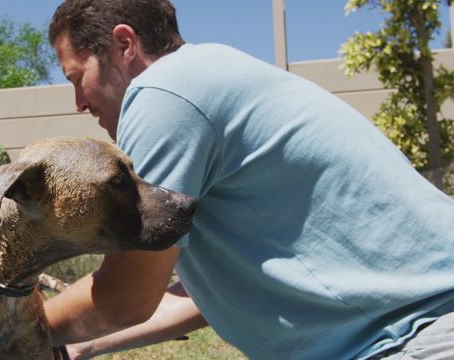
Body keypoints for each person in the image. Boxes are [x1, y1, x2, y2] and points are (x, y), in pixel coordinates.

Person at [44, 0, 454, 359]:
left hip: (413, 336)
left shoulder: (163, 93)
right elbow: (214, 299)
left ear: (124, 44)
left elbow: (124, 297)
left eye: (76, 77)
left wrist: (16, 330)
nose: (79, 102)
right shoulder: (211, 77)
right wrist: (80, 344)